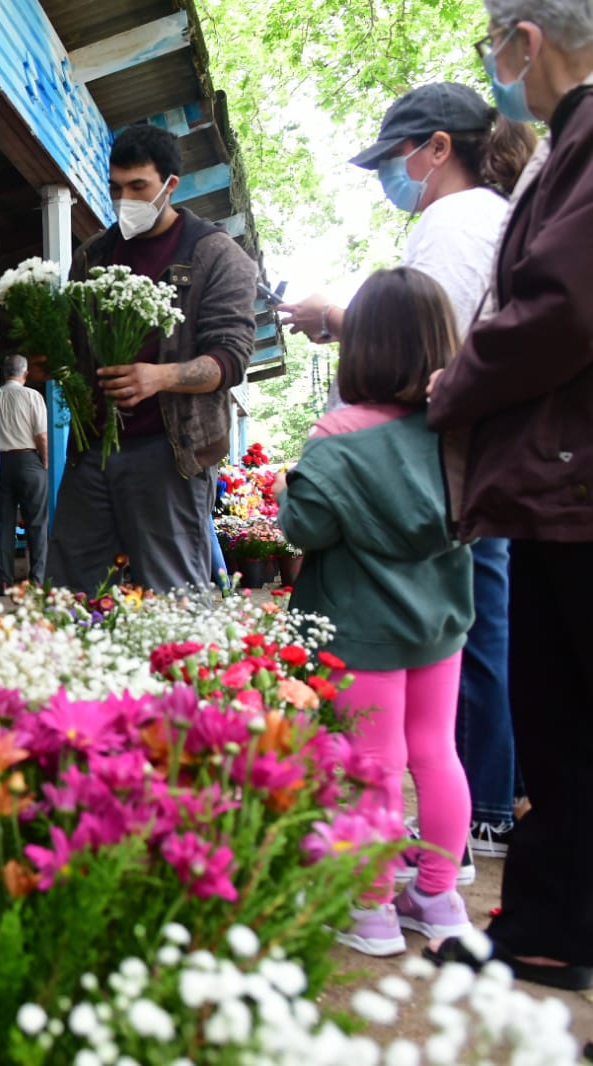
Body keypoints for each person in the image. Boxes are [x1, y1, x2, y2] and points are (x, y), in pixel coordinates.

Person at [280, 85, 537, 860]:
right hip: (465, 470)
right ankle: (452, 854)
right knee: (446, 704)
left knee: (392, 736)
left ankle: (399, 871)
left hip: (452, 461)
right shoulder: (491, 217)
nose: (387, 176)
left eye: (394, 157)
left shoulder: (456, 221)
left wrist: (343, 320)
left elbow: (440, 346)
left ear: (434, 148)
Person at [425, 0, 593, 991]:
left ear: (525, 41)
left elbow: (560, 306)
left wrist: (457, 380)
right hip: (558, 484)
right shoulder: (565, 143)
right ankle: (549, 925)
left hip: (574, 482)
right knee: (560, 720)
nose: (497, 64)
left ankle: (554, 921)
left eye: (498, 42)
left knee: (567, 707)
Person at [279, 268, 475, 958]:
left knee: (372, 761)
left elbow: (304, 530)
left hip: (360, 631)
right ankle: (438, 895)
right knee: (436, 753)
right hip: (439, 626)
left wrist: (287, 486)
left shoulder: (336, 433)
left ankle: (368, 910)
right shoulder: (456, 434)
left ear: (358, 345)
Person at [47, 124, 257, 592]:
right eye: (115, 188)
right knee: (69, 595)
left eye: (138, 187)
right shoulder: (93, 255)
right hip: (92, 454)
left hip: (170, 453)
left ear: (170, 185)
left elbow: (231, 358)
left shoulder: (215, 254)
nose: (124, 199)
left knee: (175, 596)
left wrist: (158, 376)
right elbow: (71, 342)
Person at [0, 354, 48, 591]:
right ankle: (36, 580)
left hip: (0, 463)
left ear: (3, 373)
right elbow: (41, 435)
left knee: (3, 524)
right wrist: (45, 461)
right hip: (29, 461)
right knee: (37, 523)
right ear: (25, 374)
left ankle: (4, 580)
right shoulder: (32, 395)